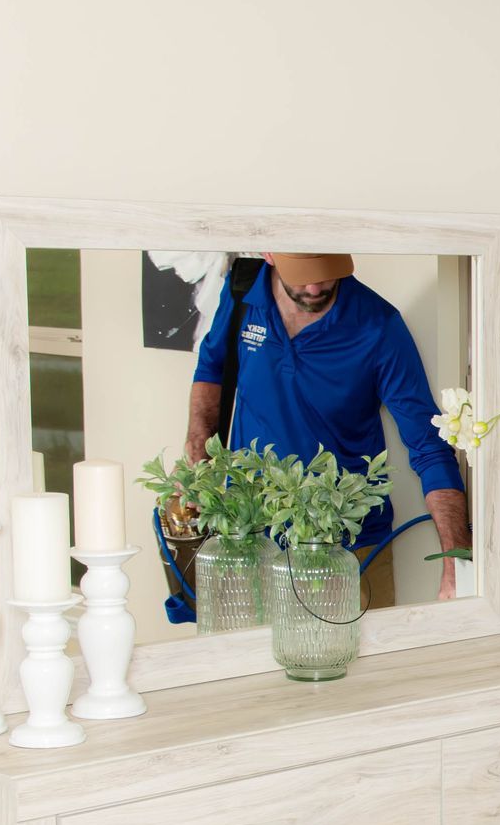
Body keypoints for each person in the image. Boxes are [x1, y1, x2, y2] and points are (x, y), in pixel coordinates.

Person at [185, 251, 469, 606]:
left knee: (361, 662)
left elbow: (429, 445)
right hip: (250, 539)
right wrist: (199, 455)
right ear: (270, 254)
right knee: (250, 660)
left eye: (328, 273)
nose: (316, 286)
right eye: (303, 274)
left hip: (349, 549)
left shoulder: (378, 325)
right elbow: (212, 366)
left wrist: (457, 557)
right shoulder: (242, 290)